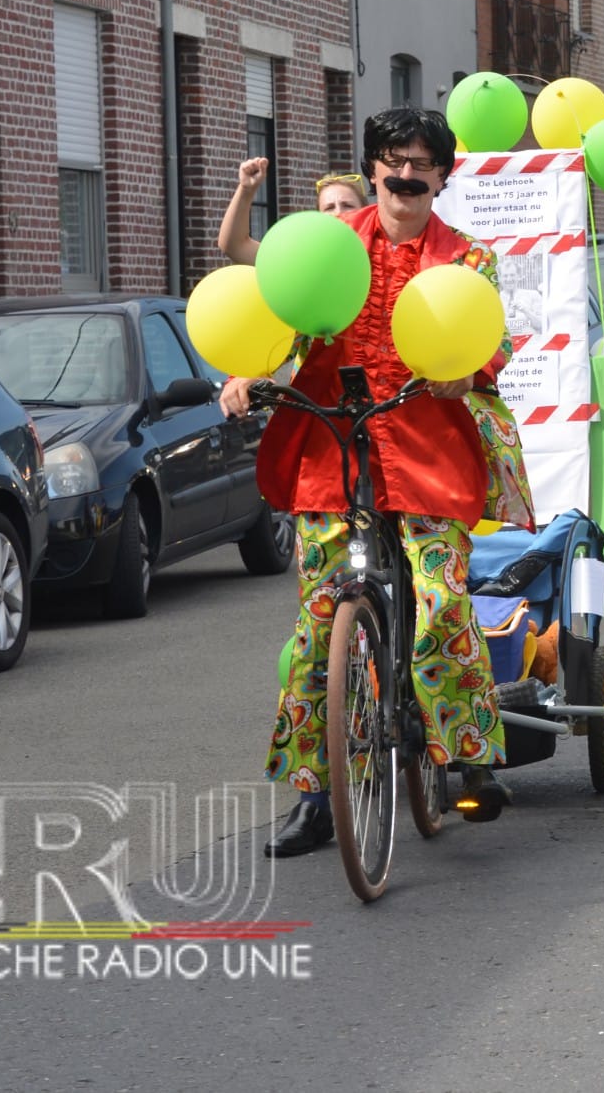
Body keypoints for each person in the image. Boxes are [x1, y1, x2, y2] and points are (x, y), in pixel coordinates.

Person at [218, 108, 534, 856]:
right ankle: (315, 797)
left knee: (442, 606)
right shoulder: (329, 247)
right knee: (314, 632)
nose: (406, 174)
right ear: (372, 170)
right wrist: (245, 369)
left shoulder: (466, 258)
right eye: (393, 160)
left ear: (443, 176)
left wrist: (471, 369)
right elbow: (279, 318)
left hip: (429, 449)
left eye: (422, 163)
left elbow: (494, 336)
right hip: (333, 447)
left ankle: (464, 755)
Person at [217, 159, 368, 263]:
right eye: (329, 208)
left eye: (347, 205)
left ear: (364, 211)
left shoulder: (381, 253)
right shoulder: (304, 260)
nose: (338, 213)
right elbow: (234, 246)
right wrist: (246, 189)